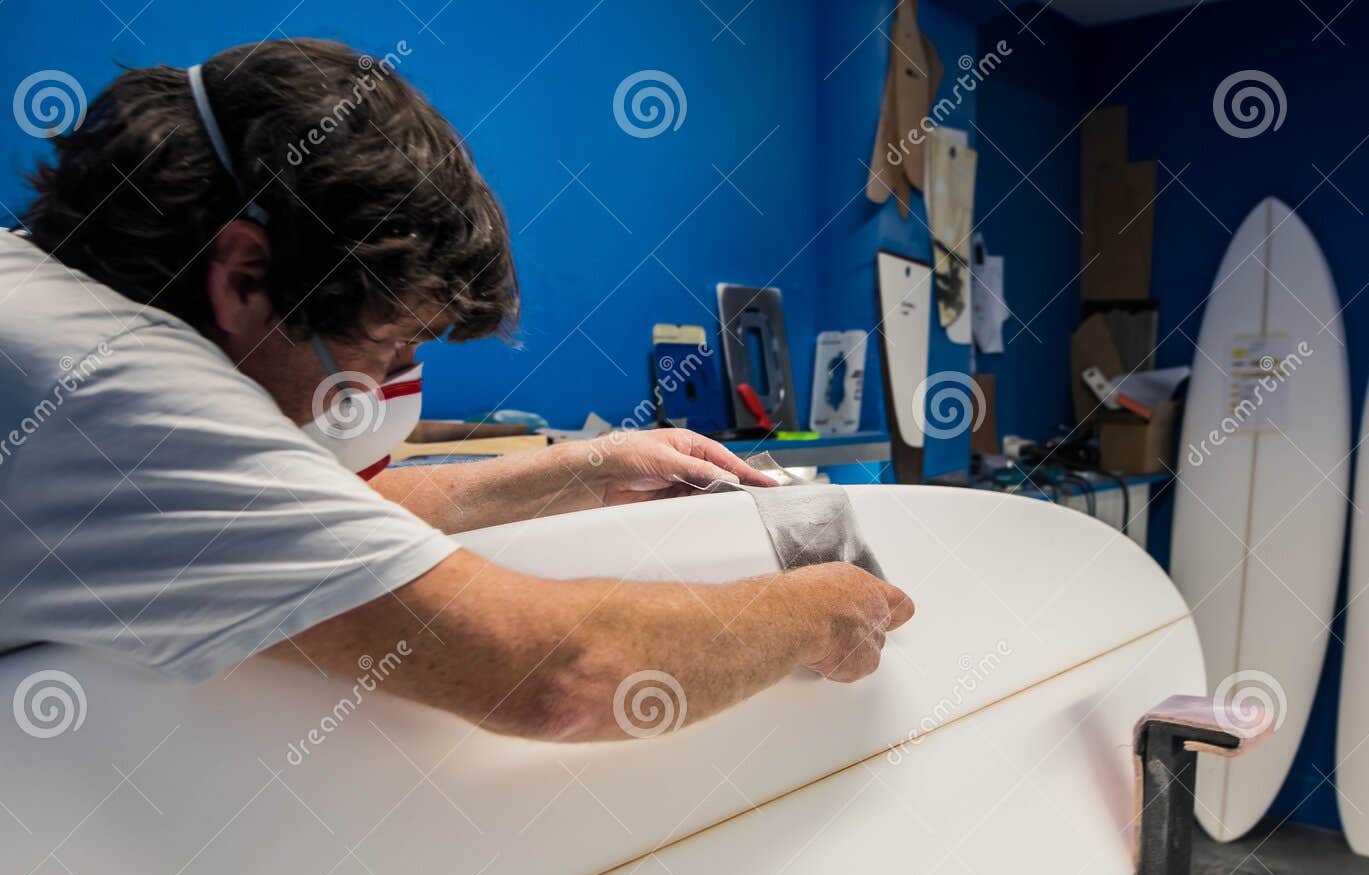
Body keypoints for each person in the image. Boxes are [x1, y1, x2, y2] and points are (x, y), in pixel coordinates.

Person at [0, 39, 912, 742]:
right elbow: (563, 677)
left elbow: (303, 507)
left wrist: (580, 472)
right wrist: (812, 612)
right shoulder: (120, 397)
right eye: (390, 347)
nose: (398, 389)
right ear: (244, 278)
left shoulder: (47, 315)